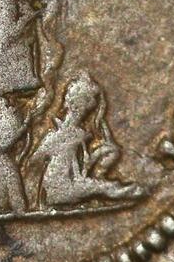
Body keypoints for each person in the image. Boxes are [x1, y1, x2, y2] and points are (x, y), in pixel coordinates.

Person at [31, 72, 142, 208]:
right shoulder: (67, 133)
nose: (90, 108)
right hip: (60, 191)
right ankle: (133, 193)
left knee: (104, 173)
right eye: (88, 102)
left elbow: (82, 163)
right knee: (104, 187)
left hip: (66, 186)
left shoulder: (71, 132)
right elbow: (36, 160)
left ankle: (128, 191)